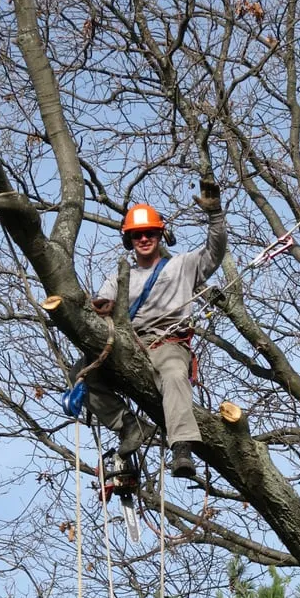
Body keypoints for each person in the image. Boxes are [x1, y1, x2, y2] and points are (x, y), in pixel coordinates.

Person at [81, 179, 226, 478]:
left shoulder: (183, 266)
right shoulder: (119, 278)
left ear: (160, 235)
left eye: (149, 233)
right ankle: (127, 425)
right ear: (129, 240)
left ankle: (182, 448)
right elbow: (101, 305)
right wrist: (99, 308)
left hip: (167, 343)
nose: (144, 239)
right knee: (81, 373)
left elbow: (215, 252)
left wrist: (215, 216)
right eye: (137, 235)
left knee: (174, 375)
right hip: (128, 344)